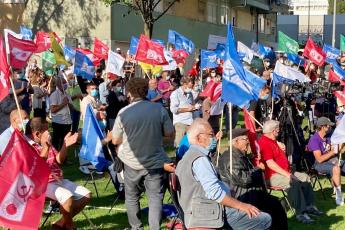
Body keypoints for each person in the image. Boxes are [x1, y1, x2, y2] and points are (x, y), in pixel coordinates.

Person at [176, 118, 272, 230]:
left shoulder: (188, 157)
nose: (214, 138)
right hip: (208, 214)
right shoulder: (200, 160)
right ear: (199, 138)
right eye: (211, 134)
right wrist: (243, 206)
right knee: (264, 220)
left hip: (202, 211)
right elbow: (215, 193)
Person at [112, 78, 175, 230]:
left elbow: (115, 140)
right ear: (146, 91)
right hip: (154, 162)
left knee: (132, 196)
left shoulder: (123, 112)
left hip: (131, 162)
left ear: (129, 93)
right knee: (155, 198)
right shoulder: (159, 110)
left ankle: (136, 227)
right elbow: (169, 133)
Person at [25, 117, 91, 230]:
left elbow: (59, 160)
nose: (49, 133)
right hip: (42, 183)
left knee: (86, 195)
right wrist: (45, 147)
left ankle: (60, 224)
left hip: (58, 179)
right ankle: (70, 226)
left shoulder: (44, 141)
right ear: (37, 134)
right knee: (67, 198)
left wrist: (66, 144)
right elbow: (38, 169)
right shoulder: (27, 146)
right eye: (46, 131)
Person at [218, 128, 288, 230]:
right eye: (245, 139)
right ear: (236, 141)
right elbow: (244, 180)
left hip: (251, 193)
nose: (248, 141)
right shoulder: (231, 159)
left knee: (276, 205)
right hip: (242, 197)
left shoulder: (239, 155)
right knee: (274, 208)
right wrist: (258, 169)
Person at [258, 120, 322, 224]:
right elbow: (270, 164)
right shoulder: (264, 142)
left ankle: (310, 206)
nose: (279, 131)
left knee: (305, 177)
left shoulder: (272, 140)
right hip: (272, 176)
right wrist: (288, 175)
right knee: (293, 182)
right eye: (278, 129)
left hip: (285, 171)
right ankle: (301, 213)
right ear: (273, 131)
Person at [307, 117, 345, 205]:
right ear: (323, 127)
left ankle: (336, 187)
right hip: (318, 164)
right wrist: (333, 152)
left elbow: (337, 150)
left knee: (337, 166)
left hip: (331, 160)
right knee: (336, 169)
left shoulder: (328, 136)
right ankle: (339, 198)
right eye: (328, 126)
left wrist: (341, 144)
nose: (330, 127)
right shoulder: (314, 140)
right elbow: (319, 159)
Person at [170, 76, 200, 147]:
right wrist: (187, 109)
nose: (191, 88)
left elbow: (192, 105)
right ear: (184, 84)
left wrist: (195, 107)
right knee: (180, 144)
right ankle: (178, 157)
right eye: (190, 86)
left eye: (192, 86)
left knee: (191, 143)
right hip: (180, 122)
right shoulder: (175, 94)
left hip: (190, 121)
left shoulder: (190, 93)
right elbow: (173, 109)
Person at [50, 77, 72, 151]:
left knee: (65, 141)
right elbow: (53, 110)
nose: (65, 84)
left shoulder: (67, 94)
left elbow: (70, 106)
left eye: (65, 82)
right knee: (56, 141)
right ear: (58, 84)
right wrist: (63, 103)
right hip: (58, 121)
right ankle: (54, 157)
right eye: (63, 82)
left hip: (67, 121)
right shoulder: (54, 95)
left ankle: (63, 157)